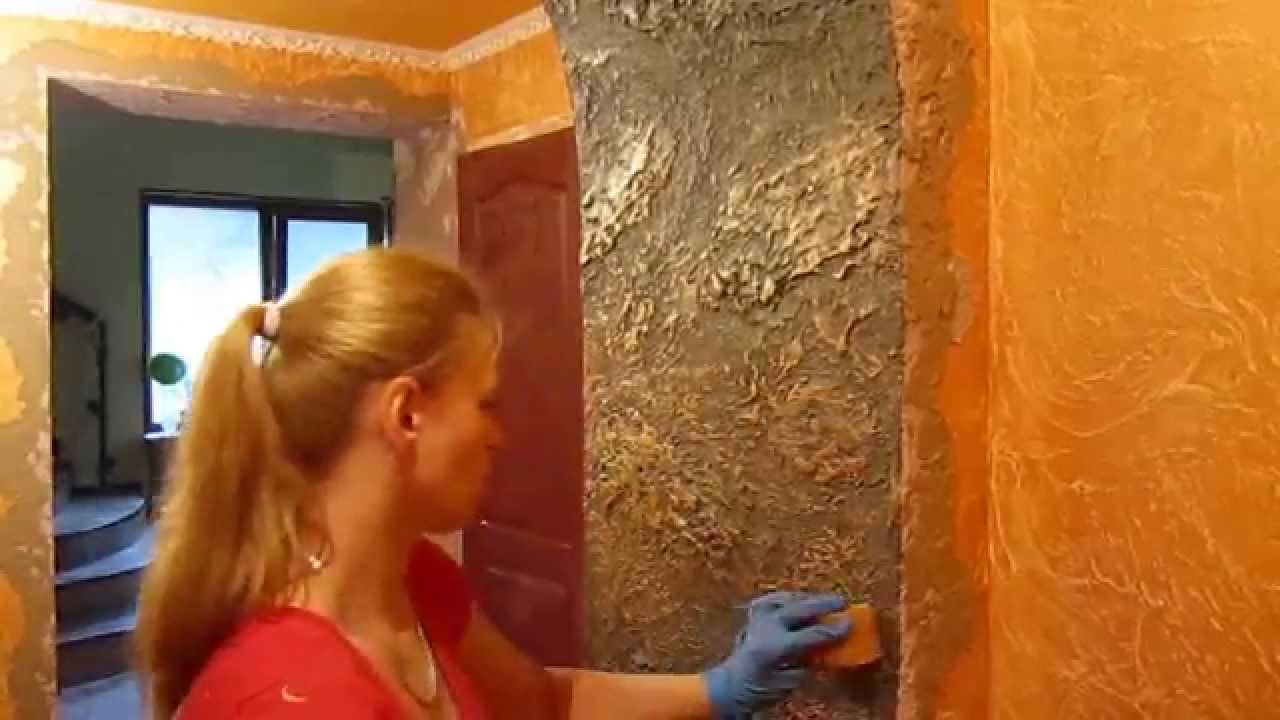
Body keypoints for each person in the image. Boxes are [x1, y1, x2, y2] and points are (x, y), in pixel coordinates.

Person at [136, 248, 851, 719]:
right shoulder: (293, 696)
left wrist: (722, 687)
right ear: (406, 414)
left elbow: (538, 702)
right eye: (485, 403)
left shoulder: (414, 579)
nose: (498, 436)